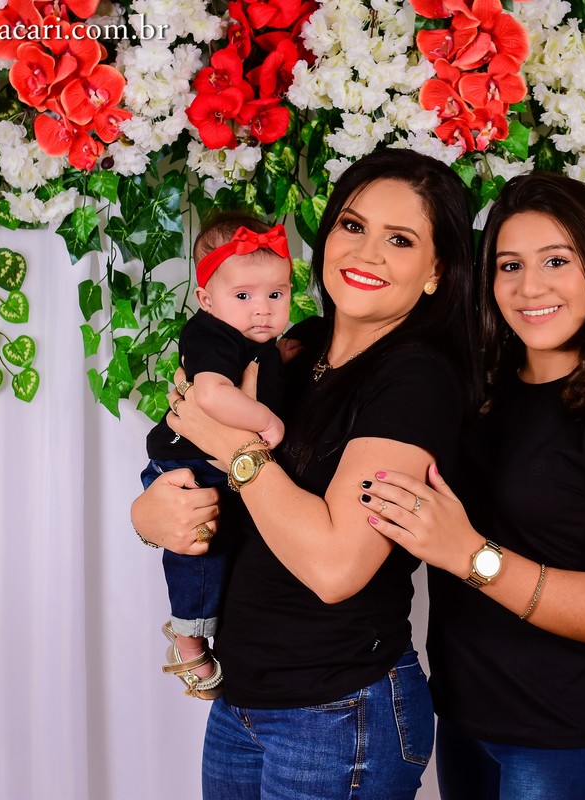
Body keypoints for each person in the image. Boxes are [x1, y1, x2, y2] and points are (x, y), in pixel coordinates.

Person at [130, 147, 477, 799]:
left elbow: (335, 568)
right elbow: (195, 453)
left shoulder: (417, 379)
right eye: (353, 225)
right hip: (241, 702)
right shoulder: (296, 344)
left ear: (436, 270)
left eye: (400, 239)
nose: (366, 253)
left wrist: (235, 447)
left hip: (339, 712)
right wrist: (150, 515)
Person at [360, 172, 585, 800]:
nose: (529, 287)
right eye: (509, 265)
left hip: (574, 739)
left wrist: (467, 553)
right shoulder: (474, 392)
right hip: (462, 723)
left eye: (556, 261)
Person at [141, 215, 292, 699]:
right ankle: (188, 639)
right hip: (188, 465)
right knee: (200, 550)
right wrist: (266, 421)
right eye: (243, 295)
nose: (262, 309)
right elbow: (209, 393)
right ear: (207, 300)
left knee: (221, 546)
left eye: (276, 294)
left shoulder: (255, 339)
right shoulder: (213, 334)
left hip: (215, 462)